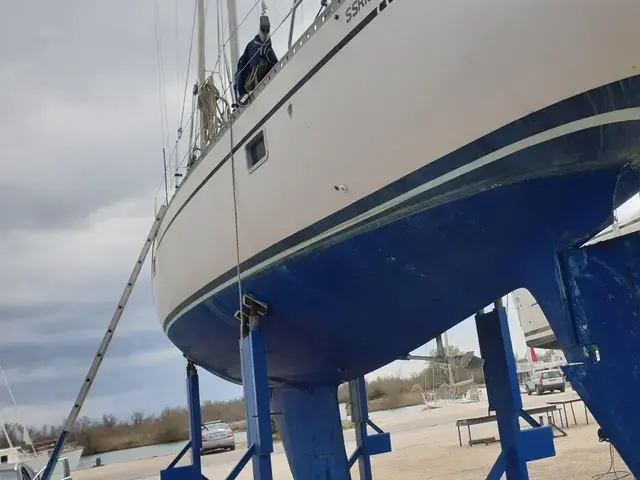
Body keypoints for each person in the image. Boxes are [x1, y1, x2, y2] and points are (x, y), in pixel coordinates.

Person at [235, 15, 278, 100]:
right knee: (241, 73)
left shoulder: (268, 48)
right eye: (263, 30)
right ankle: (243, 96)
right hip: (248, 82)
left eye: (267, 30)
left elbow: (274, 64)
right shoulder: (252, 46)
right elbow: (242, 71)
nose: (265, 32)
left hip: (264, 80)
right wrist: (242, 94)